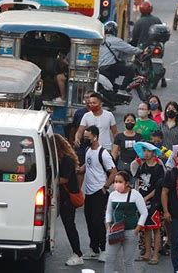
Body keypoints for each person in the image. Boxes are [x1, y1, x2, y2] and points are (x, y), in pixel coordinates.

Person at [79, 125, 118, 261]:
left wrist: (105, 186)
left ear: (95, 137)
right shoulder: (88, 150)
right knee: (89, 220)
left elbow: (113, 172)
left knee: (97, 221)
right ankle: (93, 248)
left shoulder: (104, 154)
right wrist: (79, 169)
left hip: (99, 192)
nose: (85, 139)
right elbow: (87, 165)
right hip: (89, 192)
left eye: (87, 137)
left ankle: (104, 249)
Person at [104, 171, 148, 273]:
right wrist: (108, 226)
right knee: (109, 258)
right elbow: (108, 212)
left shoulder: (135, 195)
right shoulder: (112, 195)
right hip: (114, 230)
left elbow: (144, 213)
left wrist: (137, 229)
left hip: (130, 231)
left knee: (128, 261)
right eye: (115, 181)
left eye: (120, 181)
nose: (117, 184)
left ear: (127, 183)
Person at [132, 142, 165, 264]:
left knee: (155, 228)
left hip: (154, 202)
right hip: (142, 201)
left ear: (153, 153)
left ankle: (155, 254)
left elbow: (159, 187)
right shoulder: (142, 166)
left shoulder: (159, 168)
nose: (145, 153)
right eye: (144, 151)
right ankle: (147, 253)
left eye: (148, 151)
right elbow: (138, 183)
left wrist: (145, 198)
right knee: (145, 228)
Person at [55, 134, 84, 266]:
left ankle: (77, 254)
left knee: (69, 226)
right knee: (69, 225)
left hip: (68, 198)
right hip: (64, 197)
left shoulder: (66, 160)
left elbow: (64, 179)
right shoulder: (63, 158)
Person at [99, 21, 142, 91]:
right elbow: (131, 49)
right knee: (131, 69)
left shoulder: (100, 40)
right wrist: (142, 51)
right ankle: (123, 89)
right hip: (109, 66)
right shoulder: (116, 41)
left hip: (99, 67)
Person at [69, 90, 94, 165]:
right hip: (81, 147)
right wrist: (71, 142)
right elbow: (73, 129)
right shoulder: (79, 113)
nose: (87, 100)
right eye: (86, 98)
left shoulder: (99, 113)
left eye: (89, 97)